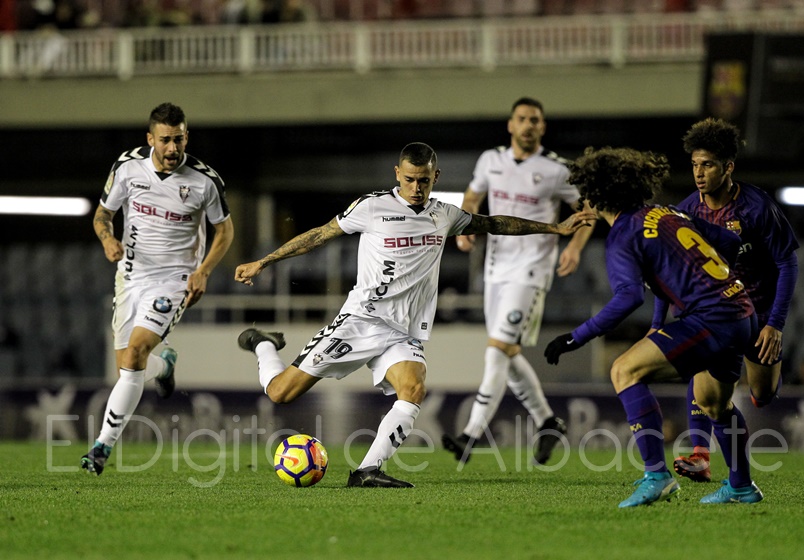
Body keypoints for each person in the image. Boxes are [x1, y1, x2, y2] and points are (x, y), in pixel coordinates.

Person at [234, 142, 594, 488]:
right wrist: (263, 262)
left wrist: (555, 228)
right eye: (409, 179)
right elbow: (319, 235)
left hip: (403, 332)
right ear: (397, 174)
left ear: (435, 176)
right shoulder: (371, 207)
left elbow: (495, 223)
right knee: (280, 393)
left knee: (413, 387)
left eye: (423, 180)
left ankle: (367, 470)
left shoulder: (445, 215)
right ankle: (264, 344)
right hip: (361, 321)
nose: (416, 188)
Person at [544, 146, 764, 507]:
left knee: (624, 370)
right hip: (742, 312)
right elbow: (729, 241)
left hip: (712, 317)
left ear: (596, 195)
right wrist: (706, 285)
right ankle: (741, 486)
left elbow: (629, 297)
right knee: (714, 403)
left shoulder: (622, 235)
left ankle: (657, 476)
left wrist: (575, 337)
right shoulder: (667, 212)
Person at [81, 102, 235, 475]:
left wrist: (203, 271)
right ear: (150, 139)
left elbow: (225, 231)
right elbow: (103, 214)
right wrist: (107, 239)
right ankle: (163, 365)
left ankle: (101, 448)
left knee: (135, 352)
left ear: (187, 138)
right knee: (128, 368)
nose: (172, 148)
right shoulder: (127, 167)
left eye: (178, 139)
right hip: (130, 276)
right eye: (165, 140)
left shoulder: (204, 181)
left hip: (175, 280)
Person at [440, 97, 593, 465]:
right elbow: (473, 195)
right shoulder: (490, 160)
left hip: (531, 271)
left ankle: (470, 434)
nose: (528, 125)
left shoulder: (557, 169)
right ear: (510, 124)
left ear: (543, 127)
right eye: (522, 119)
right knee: (506, 352)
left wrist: (574, 246)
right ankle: (548, 422)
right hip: (495, 268)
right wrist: (465, 226)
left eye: (535, 120)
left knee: (497, 349)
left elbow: (588, 210)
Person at [668, 118, 799, 482]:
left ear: (728, 167)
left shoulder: (757, 207)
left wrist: (776, 324)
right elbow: (676, 267)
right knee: (701, 374)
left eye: (708, 164)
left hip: (759, 314)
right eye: (694, 164)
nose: (699, 173)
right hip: (716, 312)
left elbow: (787, 263)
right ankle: (700, 456)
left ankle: (760, 388)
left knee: (763, 393)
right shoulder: (687, 211)